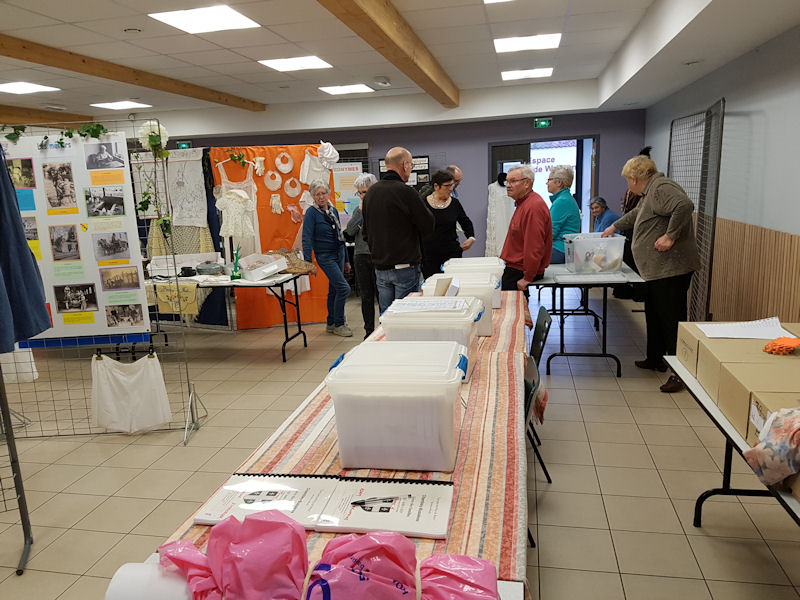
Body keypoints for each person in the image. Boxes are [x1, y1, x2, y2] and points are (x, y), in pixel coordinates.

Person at [602, 152, 701, 393]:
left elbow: (685, 206)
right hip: (657, 270)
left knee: (671, 320)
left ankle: (680, 374)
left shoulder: (661, 187)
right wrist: (614, 225)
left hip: (671, 269)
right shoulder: (649, 192)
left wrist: (670, 236)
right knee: (655, 314)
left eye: (627, 180)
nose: (628, 185)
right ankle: (656, 358)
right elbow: (638, 214)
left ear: (634, 178)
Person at [362, 147, 435, 313]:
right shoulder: (407, 192)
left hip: (380, 268)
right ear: (405, 165)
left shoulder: (371, 194)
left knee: (386, 318)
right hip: (405, 267)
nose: (411, 169)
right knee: (404, 317)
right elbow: (428, 225)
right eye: (411, 165)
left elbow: (366, 233)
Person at [302, 179, 352, 337]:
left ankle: (331, 323)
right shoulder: (311, 213)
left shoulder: (333, 210)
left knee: (334, 289)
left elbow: (340, 235)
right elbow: (306, 238)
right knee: (344, 288)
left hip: (339, 253)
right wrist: (308, 263)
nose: (321, 197)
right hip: (325, 256)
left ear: (328, 193)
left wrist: (346, 260)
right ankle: (339, 324)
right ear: (313, 196)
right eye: (317, 194)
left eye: (323, 193)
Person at [499, 164, 552, 295]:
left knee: (512, 306)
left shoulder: (533, 206)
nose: (508, 185)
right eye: (507, 181)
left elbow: (534, 246)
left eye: (513, 181)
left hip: (519, 271)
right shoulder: (524, 203)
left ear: (527, 183)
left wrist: (528, 277)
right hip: (516, 268)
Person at [420, 169, 475, 278]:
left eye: (452, 185)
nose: (451, 189)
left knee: (453, 285)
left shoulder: (454, 203)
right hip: (429, 256)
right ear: (436, 186)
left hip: (452, 255)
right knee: (433, 286)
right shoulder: (423, 204)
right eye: (447, 186)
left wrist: (471, 237)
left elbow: (465, 221)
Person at [344, 173, 378, 338]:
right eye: (360, 193)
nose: (362, 196)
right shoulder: (358, 210)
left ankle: (384, 330)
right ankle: (369, 332)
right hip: (361, 256)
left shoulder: (382, 208)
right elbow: (350, 231)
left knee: (383, 296)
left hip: (379, 256)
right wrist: (360, 211)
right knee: (366, 297)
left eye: (365, 192)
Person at [547, 165, 581, 263]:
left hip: (559, 249)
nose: (547, 183)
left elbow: (550, 233)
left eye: (549, 180)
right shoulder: (566, 199)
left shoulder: (562, 201)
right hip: (564, 249)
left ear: (559, 182)